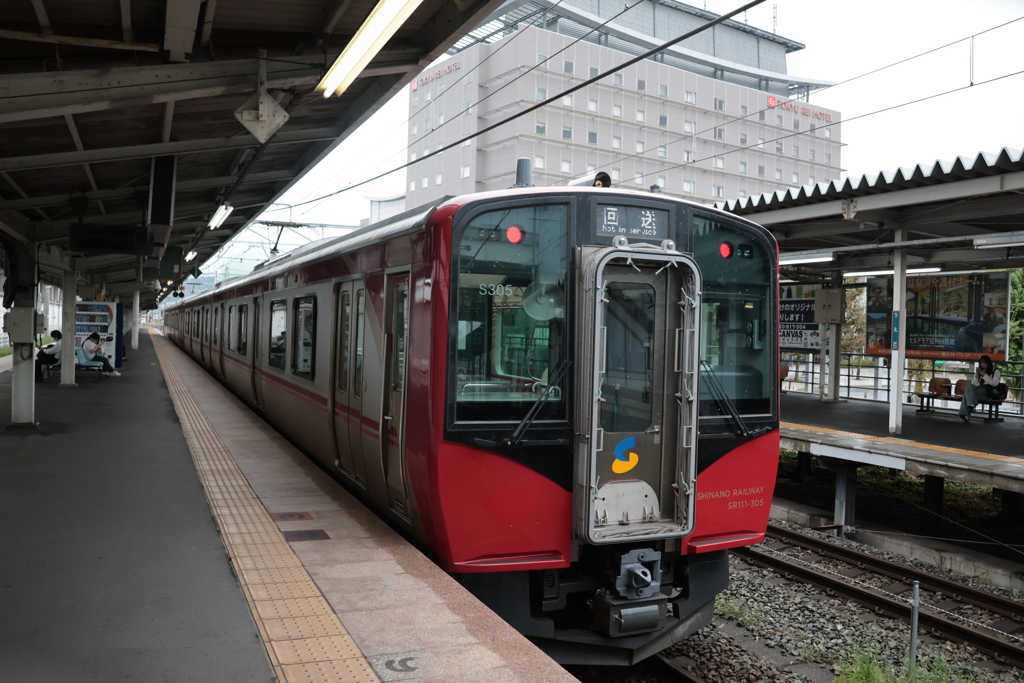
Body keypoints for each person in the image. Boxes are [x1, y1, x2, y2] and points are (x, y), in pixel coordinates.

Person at [959, 354, 1000, 422]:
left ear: (988, 363)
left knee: (967, 394)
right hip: (978, 390)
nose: (983, 364)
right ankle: (970, 406)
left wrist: (984, 375)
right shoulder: (981, 371)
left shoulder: (996, 371)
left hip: (987, 392)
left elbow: (994, 383)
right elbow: (973, 384)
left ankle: (965, 412)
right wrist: (976, 376)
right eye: (981, 362)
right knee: (969, 387)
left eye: (984, 362)